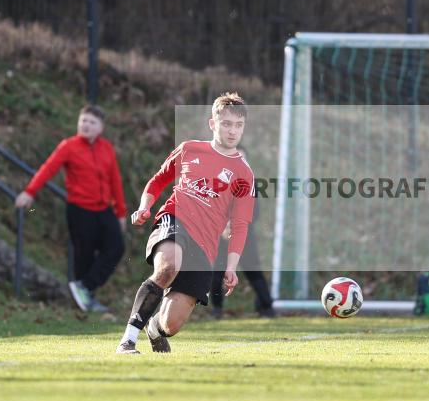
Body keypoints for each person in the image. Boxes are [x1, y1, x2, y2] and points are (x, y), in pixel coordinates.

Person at [116, 92, 255, 354]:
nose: (232, 130)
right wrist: (145, 207)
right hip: (175, 219)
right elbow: (158, 180)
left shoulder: (244, 174)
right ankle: (128, 340)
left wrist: (231, 266)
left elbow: (240, 224)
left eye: (238, 125)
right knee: (168, 267)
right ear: (212, 124)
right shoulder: (190, 149)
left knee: (172, 324)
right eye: (226, 123)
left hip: (205, 245)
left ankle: (154, 327)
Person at [15, 105, 126, 313]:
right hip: (80, 210)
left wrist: (121, 212)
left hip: (104, 209)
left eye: (92, 122)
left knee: (116, 247)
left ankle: (85, 287)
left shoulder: (107, 148)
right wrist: (30, 191)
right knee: (84, 256)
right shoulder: (69, 146)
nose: (86, 125)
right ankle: (85, 301)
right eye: (83, 121)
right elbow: (48, 169)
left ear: (101, 128)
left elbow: (115, 181)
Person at [209, 148, 275, 319]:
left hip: (245, 237)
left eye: (242, 158)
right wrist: (223, 227)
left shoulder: (251, 184)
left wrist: (237, 225)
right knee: (217, 273)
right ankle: (217, 310)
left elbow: (255, 213)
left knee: (254, 272)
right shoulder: (219, 182)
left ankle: (267, 308)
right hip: (222, 237)